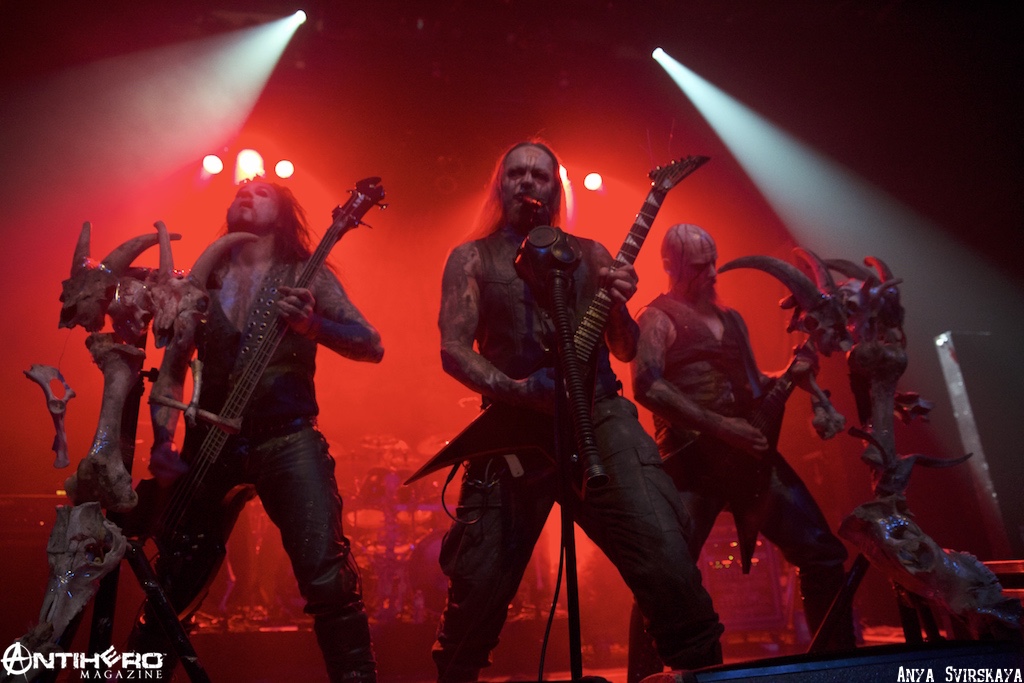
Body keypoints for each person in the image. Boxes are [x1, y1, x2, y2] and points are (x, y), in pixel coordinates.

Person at [433, 141, 724, 682]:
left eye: (538, 175)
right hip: (512, 428)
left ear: (554, 189)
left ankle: (697, 668)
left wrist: (618, 305)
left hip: (600, 415)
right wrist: (519, 389)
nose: (526, 182)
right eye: (515, 173)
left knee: (666, 560)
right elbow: (453, 350)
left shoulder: (591, 254)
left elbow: (625, 349)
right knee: (475, 590)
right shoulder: (471, 257)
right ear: (501, 185)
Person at [135, 180, 384, 682]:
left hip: (287, 436)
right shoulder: (205, 280)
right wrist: (163, 440)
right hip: (207, 443)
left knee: (327, 577)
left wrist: (314, 326)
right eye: (241, 190)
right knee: (173, 582)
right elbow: (173, 369)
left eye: (262, 191)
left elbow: (371, 345)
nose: (246, 193)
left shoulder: (306, 275)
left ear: (284, 213)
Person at [628, 223, 855, 679]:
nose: (712, 272)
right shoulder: (655, 317)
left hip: (750, 461)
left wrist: (790, 373)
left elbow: (752, 386)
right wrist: (722, 427)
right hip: (690, 463)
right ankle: (644, 679)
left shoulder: (731, 319)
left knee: (823, 554)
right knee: (666, 575)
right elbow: (646, 385)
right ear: (670, 265)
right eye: (699, 265)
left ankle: (838, 669)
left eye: (714, 261)